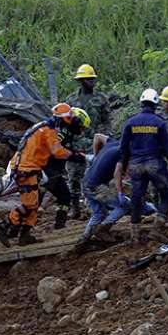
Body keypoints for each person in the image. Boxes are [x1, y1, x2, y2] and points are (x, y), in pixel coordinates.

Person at [0, 103, 78, 247]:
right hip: (25, 169)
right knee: (30, 204)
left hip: (27, 167)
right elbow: (58, 152)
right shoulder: (48, 131)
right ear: (65, 119)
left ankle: (24, 235)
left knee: (34, 203)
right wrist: (76, 155)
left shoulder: (41, 127)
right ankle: (4, 225)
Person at [118, 89, 168, 243]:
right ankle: (157, 228)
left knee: (137, 198)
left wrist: (124, 167)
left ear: (141, 103)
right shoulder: (159, 122)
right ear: (156, 103)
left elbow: (123, 148)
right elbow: (167, 148)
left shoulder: (130, 122)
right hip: (154, 164)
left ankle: (135, 236)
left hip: (135, 165)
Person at [65, 64, 111, 219]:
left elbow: (107, 121)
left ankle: (95, 209)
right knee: (73, 177)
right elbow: (65, 122)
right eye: (88, 79)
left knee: (94, 177)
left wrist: (104, 139)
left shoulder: (101, 99)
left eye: (92, 79)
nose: (92, 82)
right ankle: (75, 208)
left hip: (94, 145)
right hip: (75, 145)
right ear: (81, 81)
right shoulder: (71, 100)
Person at [41, 108, 90, 230]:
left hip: (54, 171)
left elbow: (64, 150)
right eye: (82, 127)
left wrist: (75, 155)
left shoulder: (67, 133)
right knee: (33, 202)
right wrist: (75, 156)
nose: (82, 131)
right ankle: (13, 228)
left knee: (64, 197)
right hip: (46, 170)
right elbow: (57, 151)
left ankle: (60, 226)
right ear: (76, 122)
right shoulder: (61, 133)